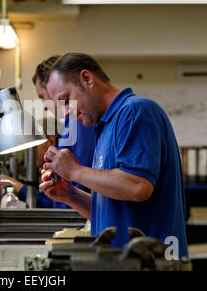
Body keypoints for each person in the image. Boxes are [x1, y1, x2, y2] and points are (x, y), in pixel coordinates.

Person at [39, 53, 188, 257]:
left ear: (87, 79)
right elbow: (110, 211)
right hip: (121, 260)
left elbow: (137, 187)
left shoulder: (136, 111)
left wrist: (75, 171)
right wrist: (70, 195)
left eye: (66, 100)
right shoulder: (104, 127)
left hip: (151, 262)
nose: (65, 113)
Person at [13, 55, 96, 208]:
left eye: (42, 96)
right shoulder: (69, 125)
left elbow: (83, 186)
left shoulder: (79, 122)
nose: (44, 106)